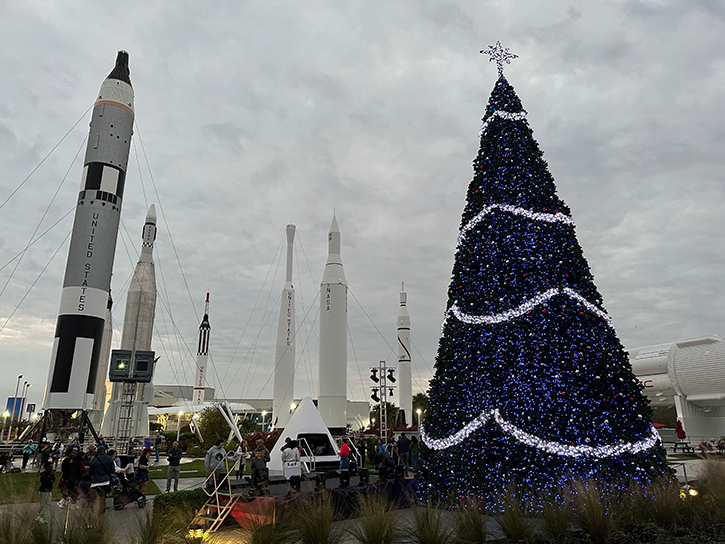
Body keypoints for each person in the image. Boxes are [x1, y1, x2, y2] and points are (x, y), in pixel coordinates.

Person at [87, 445, 115, 512]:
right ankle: (102, 509)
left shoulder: (94, 459)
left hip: (95, 482)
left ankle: (95, 510)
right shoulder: (109, 458)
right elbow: (112, 470)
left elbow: (90, 472)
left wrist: (90, 476)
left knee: (95, 497)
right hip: (106, 481)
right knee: (103, 496)